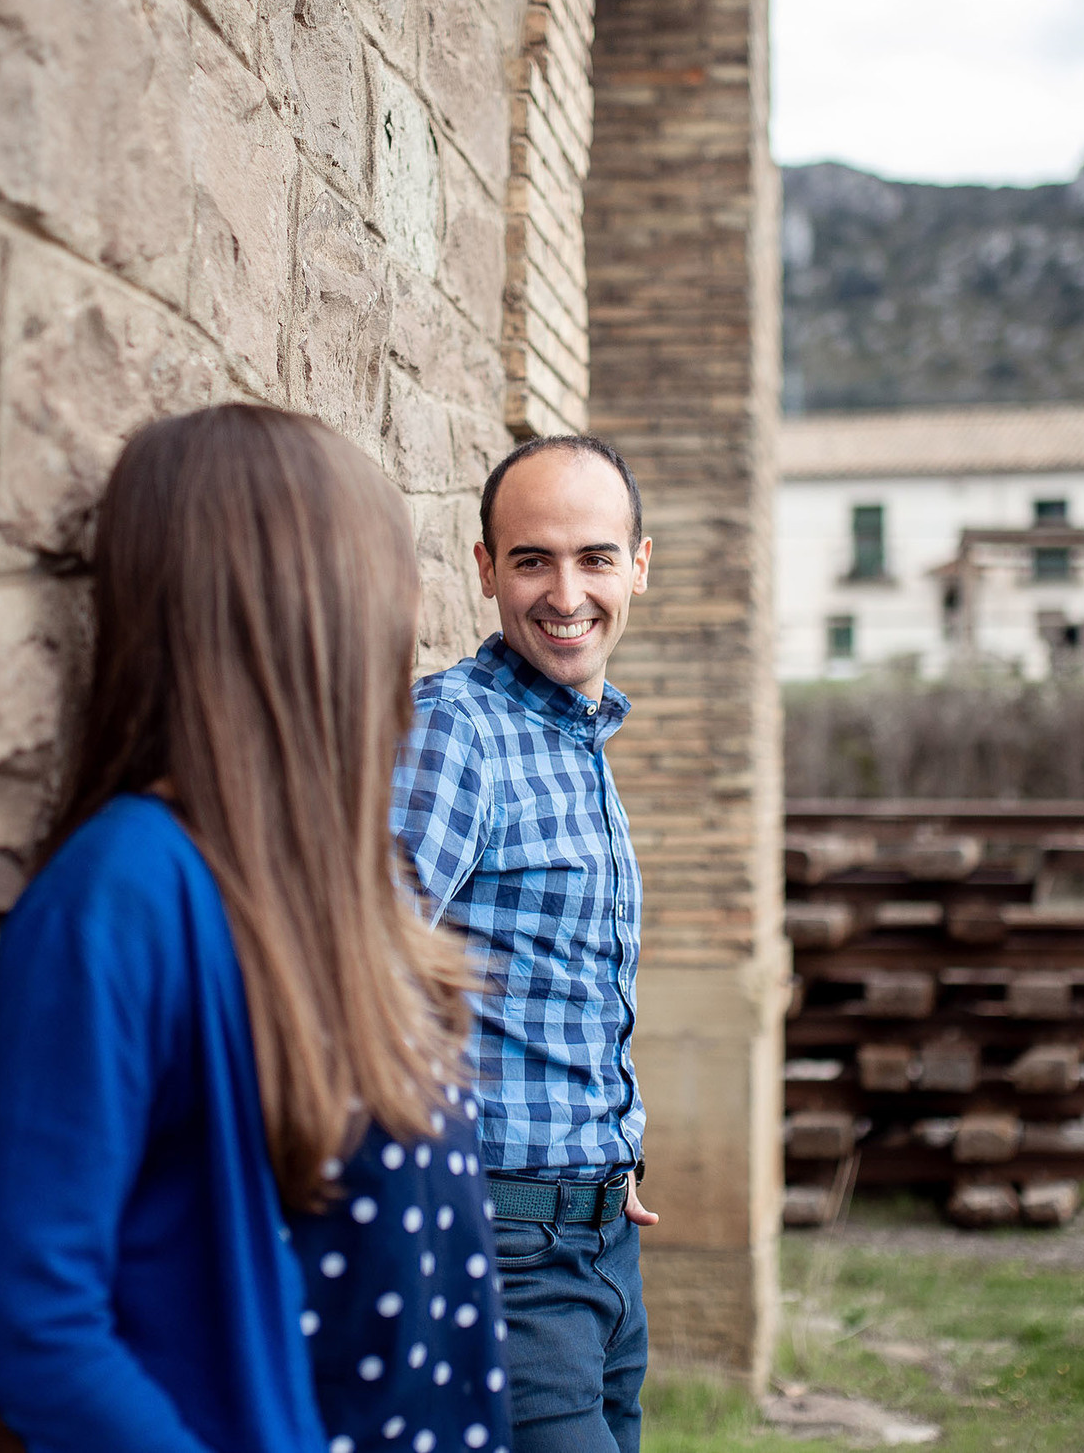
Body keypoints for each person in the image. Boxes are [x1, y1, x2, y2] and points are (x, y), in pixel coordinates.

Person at [0, 405, 513, 1453]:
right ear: (313, 616)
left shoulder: (357, 884)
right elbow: (26, 1326)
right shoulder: (126, 890)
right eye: (389, 590)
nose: (409, 629)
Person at [390, 435, 659, 1453]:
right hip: (505, 1249)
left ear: (638, 564)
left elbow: (561, 988)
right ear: (484, 569)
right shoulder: (457, 731)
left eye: (594, 558)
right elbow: (355, 973)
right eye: (531, 559)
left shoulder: (578, 739)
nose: (565, 592)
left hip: (605, 1240)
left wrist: (604, 1146)